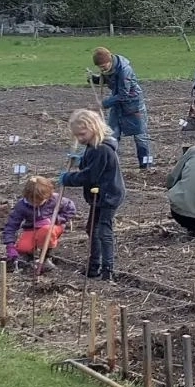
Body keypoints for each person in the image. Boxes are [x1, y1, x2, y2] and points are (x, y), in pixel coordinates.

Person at [58, 109, 125, 279]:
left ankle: (107, 270)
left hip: (108, 195)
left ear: (93, 127)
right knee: (92, 229)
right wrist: (80, 160)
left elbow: (90, 175)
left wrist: (68, 178)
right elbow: (91, 166)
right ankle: (94, 266)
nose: (80, 139)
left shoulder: (101, 149)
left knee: (103, 231)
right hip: (99, 195)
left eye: (82, 134)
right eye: (77, 136)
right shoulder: (92, 146)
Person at [91, 47, 153, 169]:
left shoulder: (125, 70)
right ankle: (110, 165)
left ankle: (146, 164)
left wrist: (104, 104)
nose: (102, 69)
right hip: (117, 105)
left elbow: (124, 94)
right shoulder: (108, 69)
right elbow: (109, 81)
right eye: (100, 68)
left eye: (103, 67)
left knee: (141, 136)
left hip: (133, 106)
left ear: (110, 61)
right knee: (111, 135)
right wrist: (95, 79)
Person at [2, 175, 78, 272]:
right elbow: (11, 226)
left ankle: (46, 258)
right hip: (32, 228)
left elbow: (71, 209)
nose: (36, 204)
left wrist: (55, 220)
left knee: (46, 231)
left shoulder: (55, 199)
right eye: (33, 201)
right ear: (27, 196)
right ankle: (29, 260)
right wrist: (10, 245)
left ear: (47, 196)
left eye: (40, 201)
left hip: (52, 227)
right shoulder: (21, 206)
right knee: (23, 248)